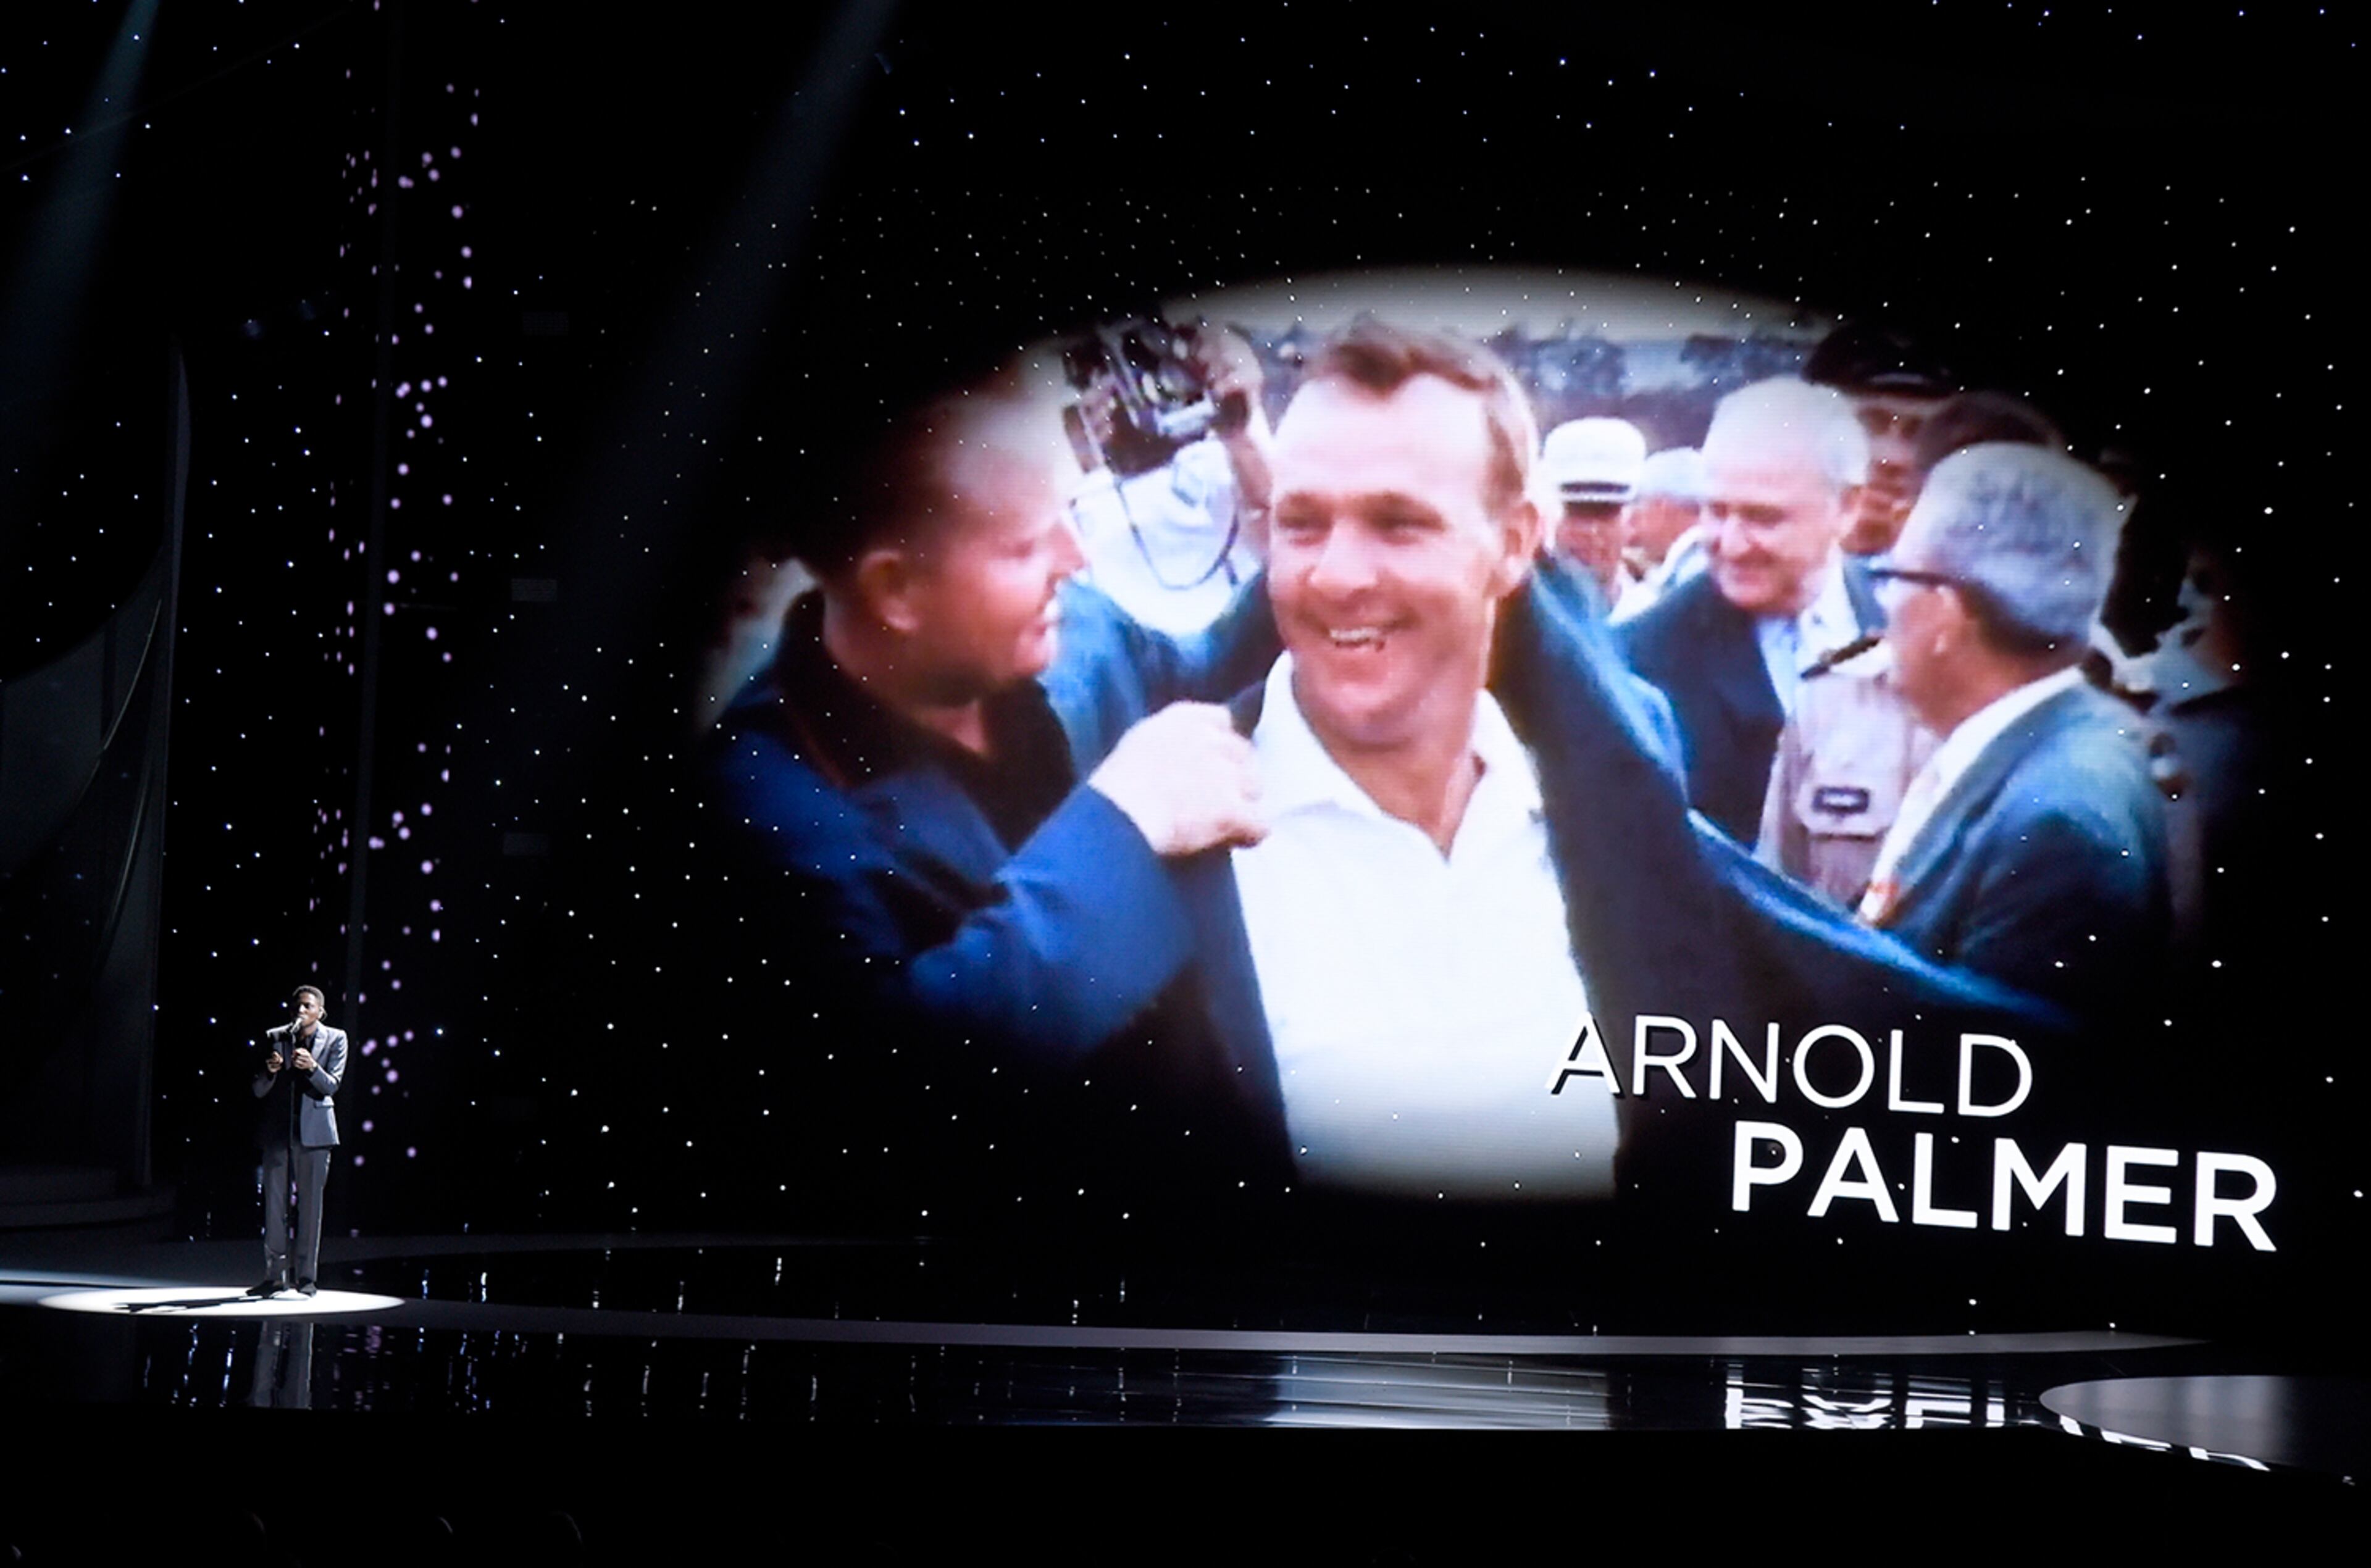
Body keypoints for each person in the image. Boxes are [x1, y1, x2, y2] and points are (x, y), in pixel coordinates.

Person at [1856, 443, 2168, 1016]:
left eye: (1892, 575)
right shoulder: (2055, 745)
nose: (1882, 607)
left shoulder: (2062, 818)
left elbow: (1991, 1075)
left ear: (1946, 613)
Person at [1618, 378, 1886, 843]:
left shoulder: (1907, 621)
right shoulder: (1638, 660)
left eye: (1763, 518)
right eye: (1717, 512)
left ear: (1847, 506)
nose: (1732, 544)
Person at [249, 985, 346, 1298]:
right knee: (274, 1206)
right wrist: (269, 1071)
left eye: (307, 1006)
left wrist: (313, 1067)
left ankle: (306, 1277)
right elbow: (258, 1090)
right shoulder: (276, 1037)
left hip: (315, 1134)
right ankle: (274, 1276)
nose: (300, 1011)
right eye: (296, 1007)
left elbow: (331, 1085)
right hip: (279, 1132)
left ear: (320, 1011)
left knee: (310, 1208)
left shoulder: (335, 1038)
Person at [1537, 415, 1646, 608]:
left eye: (1606, 513)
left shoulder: (1651, 614)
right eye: (1576, 512)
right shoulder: (1520, 614)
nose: (1590, 530)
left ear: (1632, 521)